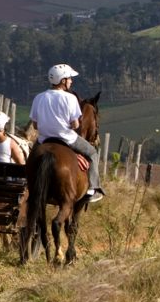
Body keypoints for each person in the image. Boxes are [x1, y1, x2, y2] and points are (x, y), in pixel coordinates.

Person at [29, 63, 105, 203]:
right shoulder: (70, 98)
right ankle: (93, 188)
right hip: (67, 139)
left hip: (44, 140)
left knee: (31, 159)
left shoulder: (39, 97)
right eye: (69, 78)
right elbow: (75, 124)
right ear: (63, 80)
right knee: (92, 152)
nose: (71, 80)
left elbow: (35, 124)